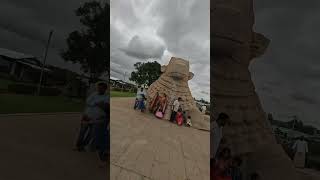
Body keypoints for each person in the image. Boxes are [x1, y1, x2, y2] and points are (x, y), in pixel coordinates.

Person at [74, 81, 109, 152]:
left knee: (91, 134)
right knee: (82, 132)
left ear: (105, 89)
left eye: (101, 88)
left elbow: (105, 106)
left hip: (96, 119)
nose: (99, 90)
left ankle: (83, 146)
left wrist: (98, 104)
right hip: (87, 116)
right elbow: (87, 102)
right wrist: (97, 103)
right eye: (98, 88)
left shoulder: (107, 97)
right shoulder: (94, 94)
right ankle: (78, 146)